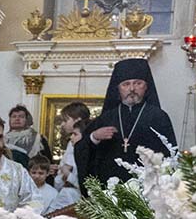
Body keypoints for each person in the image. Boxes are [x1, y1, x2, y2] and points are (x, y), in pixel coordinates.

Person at [84, 58, 176, 187]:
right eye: (126, 84)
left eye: (138, 83)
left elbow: (170, 155)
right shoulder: (106, 118)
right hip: (111, 186)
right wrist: (94, 137)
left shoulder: (159, 117)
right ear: (118, 88)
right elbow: (84, 151)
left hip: (148, 187)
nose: (132, 89)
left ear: (146, 87)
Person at [56, 101, 91, 197]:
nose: (62, 124)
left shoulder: (82, 144)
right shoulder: (71, 143)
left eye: (65, 120)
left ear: (77, 120)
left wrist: (65, 172)